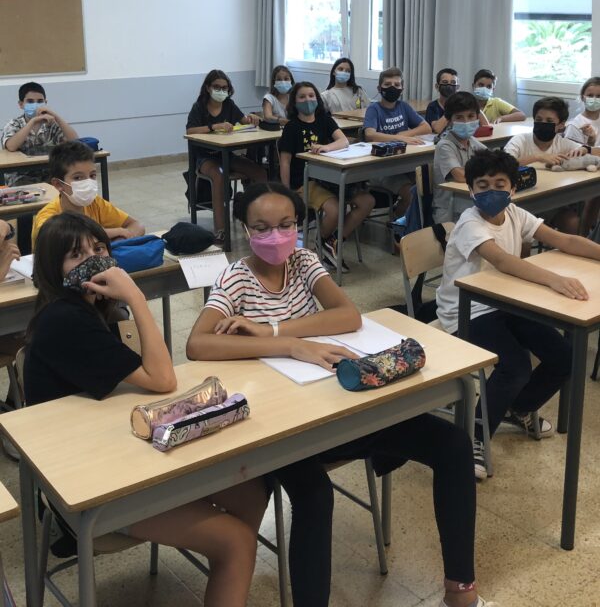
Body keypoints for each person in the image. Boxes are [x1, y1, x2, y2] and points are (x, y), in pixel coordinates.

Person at [187, 181, 499, 607]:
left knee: (454, 444)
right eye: (261, 228)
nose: (276, 236)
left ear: (298, 225)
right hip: (281, 431)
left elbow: (348, 315)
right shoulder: (237, 277)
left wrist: (272, 330)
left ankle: (461, 593)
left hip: (334, 407)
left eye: (285, 225)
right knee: (315, 496)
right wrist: (292, 346)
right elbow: (198, 344)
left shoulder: (304, 261)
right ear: (245, 228)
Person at [24, 213, 268, 607]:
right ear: (55, 269)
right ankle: (229, 554)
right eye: (76, 255)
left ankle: (226, 569)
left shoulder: (91, 309)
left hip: (116, 450)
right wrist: (135, 297)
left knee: (251, 493)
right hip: (87, 486)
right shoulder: (66, 318)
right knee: (237, 542)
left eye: (98, 249)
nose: (93, 261)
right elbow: (162, 378)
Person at [436, 149, 600, 480]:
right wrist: (554, 280)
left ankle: (519, 407)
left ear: (513, 188)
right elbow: (502, 261)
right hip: (467, 310)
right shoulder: (470, 223)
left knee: (565, 357)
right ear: (471, 190)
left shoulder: (514, 212)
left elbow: (564, 239)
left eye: (500, 184)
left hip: (507, 303)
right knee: (515, 367)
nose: (491, 191)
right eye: (482, 185)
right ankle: (475, 436)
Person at [278, 82, 374, 270]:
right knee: (335, 210)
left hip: (330, 178)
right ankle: (320, 244)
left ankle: (331, 242)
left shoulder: (325, 120)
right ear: (294, 102)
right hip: (305, 182)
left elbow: (343, 141)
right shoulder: (291, 127)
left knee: (367, 201)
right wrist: (286, 192)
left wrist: (326, 147)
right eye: (302, 97)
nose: (308, 100)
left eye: (311, 96)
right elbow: (285, 162)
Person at [186, 69, 266, 243]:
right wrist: (213, 127)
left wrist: (252, 118)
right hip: (206, 157)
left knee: (259, 173)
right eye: (217, 87)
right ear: (208, 88)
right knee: (219, 175)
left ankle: (255, 218)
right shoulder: (199, 107)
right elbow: (190, 130)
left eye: (224, 88)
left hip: (227, 155)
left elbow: (244, 121)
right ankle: (221, 229)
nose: (221, 91)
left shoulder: (229, 104)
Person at [504, 97, 593, 234]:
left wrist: (584, 148)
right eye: (539, 119)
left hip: (552, 203)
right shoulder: (521, 140)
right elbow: (503, 163)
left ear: (561, 125)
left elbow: (587, 151)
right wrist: (538, 157)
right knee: (523, 234)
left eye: (549, 121)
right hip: (520, 205)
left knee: (572, 223)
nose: (543, 124)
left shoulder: (562, 142)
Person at [31, 141, 145, 248]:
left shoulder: (96, 204)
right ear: (58, 184)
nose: (88, 183)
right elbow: (70, 242)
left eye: (92, 175)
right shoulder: (47, 216)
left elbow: (137, 225)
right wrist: (117, 232)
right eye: (78, 178)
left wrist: (118, 242)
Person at [363, 67, 431, 215]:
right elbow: (369, 134)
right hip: (382, 168)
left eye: (396, 85)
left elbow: (426, 127)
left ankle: (412, 220)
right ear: (379, 88)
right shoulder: (374, 109)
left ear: (402, 89)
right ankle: (398, 223)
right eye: (387, 84)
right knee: (411, 194)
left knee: (427, 187)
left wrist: (405, 134)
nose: (392, 88)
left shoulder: (403, 106)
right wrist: (398, 137)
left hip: (403, 163)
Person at [0, 81, 78, 187]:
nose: (35, 105)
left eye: (40, 101)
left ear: (45, 102)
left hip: (49, 174)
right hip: (21, 176)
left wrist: (56, 116)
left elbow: (74, 141)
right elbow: (11, 146)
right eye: (30, 101)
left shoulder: (51, 124)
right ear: (21, 104)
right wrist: (33, 121)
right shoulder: (14, 124)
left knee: (67, 184)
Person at [432, 92, 486, 224]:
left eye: (471, 116)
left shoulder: (473, 142)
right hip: (449, 210)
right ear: (450, 120)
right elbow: (460, 176)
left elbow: (494, 163)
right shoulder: (445, 145)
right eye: (459, 117)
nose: (466, 122)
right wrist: (486, 174)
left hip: (470, 202)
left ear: (477, 117)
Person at [564, 76, 600, 235]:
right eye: (590, 95)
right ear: (582, 97)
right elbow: (574, 157)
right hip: (583, 174)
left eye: (599, 96)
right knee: (594, 196)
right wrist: (590, 141)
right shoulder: (575, 125)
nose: (594, 99)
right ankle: (585, 236)